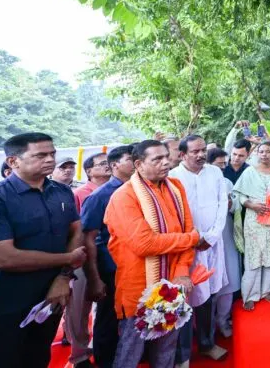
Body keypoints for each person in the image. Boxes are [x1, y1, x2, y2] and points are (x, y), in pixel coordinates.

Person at [104, 140, 200, 368]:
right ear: (138, 164)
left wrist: (182, 271)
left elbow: (187, 232)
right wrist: (192, 238)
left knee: (166, 348)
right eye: (157, 159)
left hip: (173, 284)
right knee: (131, 351)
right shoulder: (123, 196)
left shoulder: (175, 187)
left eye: (166, 156)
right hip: (139, 287)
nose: (166, 162)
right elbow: (144, 244)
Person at [0, 132, 87, 368]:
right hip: (8, 297)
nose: (50, 160)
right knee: (6, 356)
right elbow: (5, 258)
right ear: (13, 162)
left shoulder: (62, 191)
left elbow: (76, 232)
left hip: (53, 292)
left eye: (52, 154)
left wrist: (64, 276)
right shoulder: (0, 198)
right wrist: (68, 258)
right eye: (40, 155)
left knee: (39, 355)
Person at [171, 135, 229, 364]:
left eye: (203, 150)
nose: (200, 154)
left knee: (209, 296)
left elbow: (222, 203)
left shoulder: (215, 173)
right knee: (184, 299)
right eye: (195, 151)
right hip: (187, 248)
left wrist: (212, 236)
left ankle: (207, 343)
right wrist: (194, 238)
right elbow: (174, 213)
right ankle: (183, 354)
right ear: (183, 154)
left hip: (213, 244)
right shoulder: (174, 177)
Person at [80, 144, 136, 368]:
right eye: (131, 159)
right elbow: (89, 238)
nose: (136, 162)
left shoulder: (140, 189)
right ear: (115, 166)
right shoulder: (100, 196)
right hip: (111, 267)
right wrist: (95, 277)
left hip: (135, 266)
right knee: (108, 319)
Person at [65, 151, 111, 366]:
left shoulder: (118, 190)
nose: (107, 166)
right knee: (79, 308)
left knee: (102, 305)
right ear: (89, 171)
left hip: (106, 256)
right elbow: (76, 229)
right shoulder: (82, 193)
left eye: (108, 162)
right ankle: (79, 354)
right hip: (83, 256)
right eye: (101, 164)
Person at [234, 142, 270, 310]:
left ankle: (267, 290)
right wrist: (251, 205)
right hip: (254, 219)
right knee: (253, 256)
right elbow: (239, 195)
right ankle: (250, 295)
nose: (265, 154)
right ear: (257, 154)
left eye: (268, 151)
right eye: (261, 151)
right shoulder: (250, 171)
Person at [207, 148, 241, 338]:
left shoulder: (227, 182)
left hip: (226, 234)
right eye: (218, 164)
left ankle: (223, 319)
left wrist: (230, 204)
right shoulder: (199, 183)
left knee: (229, 278)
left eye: (223, 164)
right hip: (207, 239)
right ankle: (207, 326)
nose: (222, 167)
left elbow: (235, 205)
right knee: (208, 283)